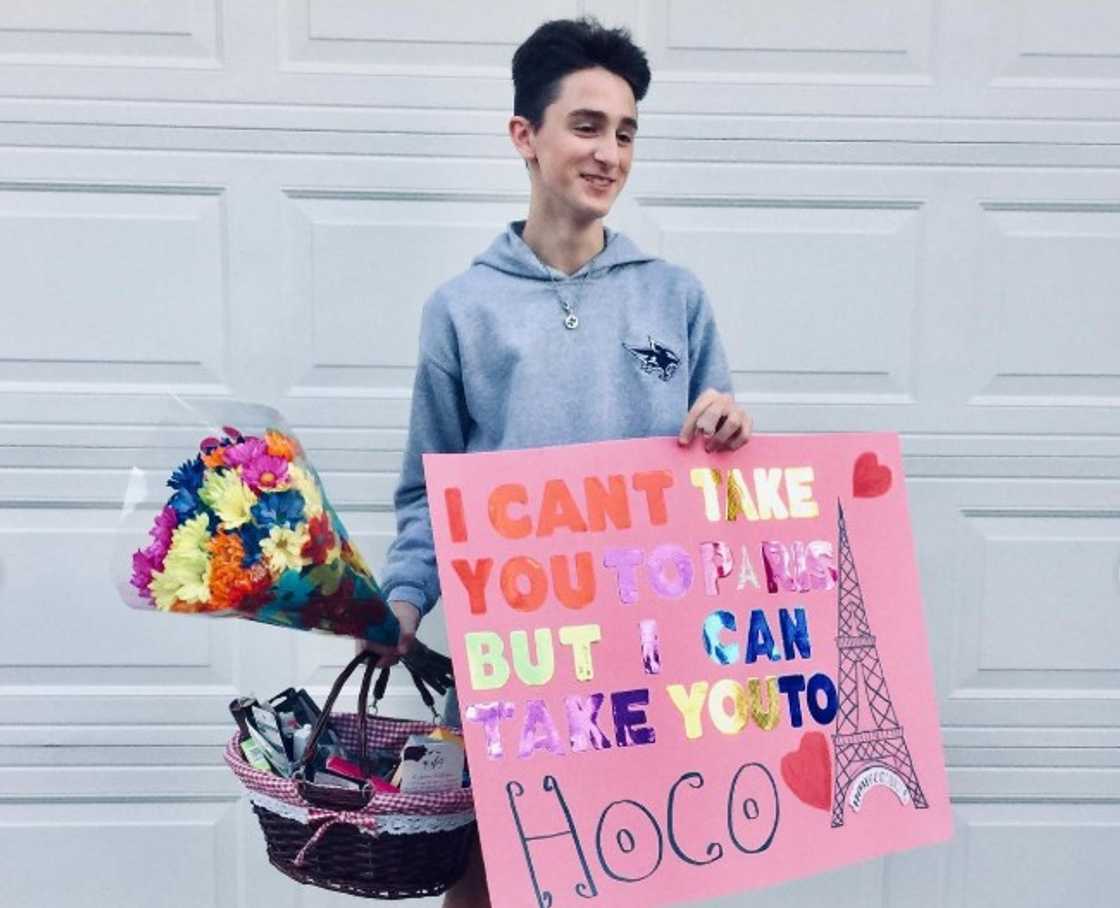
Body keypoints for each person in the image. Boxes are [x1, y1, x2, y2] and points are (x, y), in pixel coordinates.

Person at [364, 16, 752, 907]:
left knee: (636, 880)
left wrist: (731, 429)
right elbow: (429, 493)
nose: (610, 152)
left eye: (625, 132)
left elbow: (719, 481)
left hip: (648, 661)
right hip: (512, 661)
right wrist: (400, 603)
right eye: (586, 125)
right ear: (525, 138)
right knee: (492, 883)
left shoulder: (676, 296)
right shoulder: (462, 310)